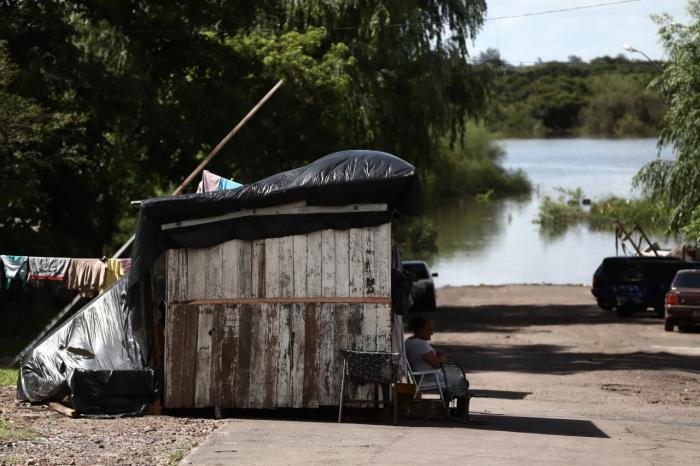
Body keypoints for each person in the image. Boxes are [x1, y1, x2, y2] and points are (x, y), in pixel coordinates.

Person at [405, 316, 469, 418]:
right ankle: (460, 414)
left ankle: (448, 407)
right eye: (429, 329)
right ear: (419, 330)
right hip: (428, 378)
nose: (432, 332)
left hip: (425, 377)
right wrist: (442, 357)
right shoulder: (420, 344)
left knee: (459, 382)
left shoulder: (409, 341)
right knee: (462, 382)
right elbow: (439, 365)